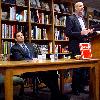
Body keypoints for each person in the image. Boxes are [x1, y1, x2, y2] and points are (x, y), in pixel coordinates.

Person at [11, 31, 68, 100]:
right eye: (18, 36)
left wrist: (38, 59)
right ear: (15, 39)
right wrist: (32, 60)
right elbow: (19, 59)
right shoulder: (14, 48)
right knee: (44, 73)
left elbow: (37, 55)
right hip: (26, 69)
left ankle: (55, 94)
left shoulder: (30, 45)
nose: (21, 36)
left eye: (22, 35)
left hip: (37, 66)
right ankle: (57, 95)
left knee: (53, 71)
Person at [65, 2, 95, 95]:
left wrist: (89, 32)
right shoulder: (70, 18)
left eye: (83, 6)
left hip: (85, 45)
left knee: (84, 68)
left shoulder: (83, 19)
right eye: (80, 6)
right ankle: (75, 88)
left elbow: (83, 32)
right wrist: (81, 33)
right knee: (77, 69)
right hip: (75, 46)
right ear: (75, 8)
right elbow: (68, 33)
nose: (82, 8)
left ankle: (81, 87)